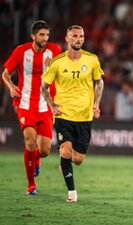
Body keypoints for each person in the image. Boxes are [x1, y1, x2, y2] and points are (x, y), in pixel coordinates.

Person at [40, 25, 104, 202]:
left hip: (84, 116)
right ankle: (72, 193)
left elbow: (99, 83)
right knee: (66, 151)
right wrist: (52, 105)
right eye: (74, 36)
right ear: (67, 39)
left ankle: (64, 162)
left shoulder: (92, 60)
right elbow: (43, 88)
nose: (78, 39)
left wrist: (96, 104)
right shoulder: (57, 63)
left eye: (81, 36)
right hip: (63, 114)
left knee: (78, 160)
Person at [2, 20, 61, 195]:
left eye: (47, 35)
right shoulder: (21, 51)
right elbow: (5, 73)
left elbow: (63, 72)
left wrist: (55, 65)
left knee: (44, 151)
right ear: (33, 36)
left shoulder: (55, 51)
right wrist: (12, 87)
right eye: (42, 35)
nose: (45, 38)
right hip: (25, 104)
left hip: (45, 106)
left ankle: (37, 160)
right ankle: (31, 185)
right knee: (30, 141)